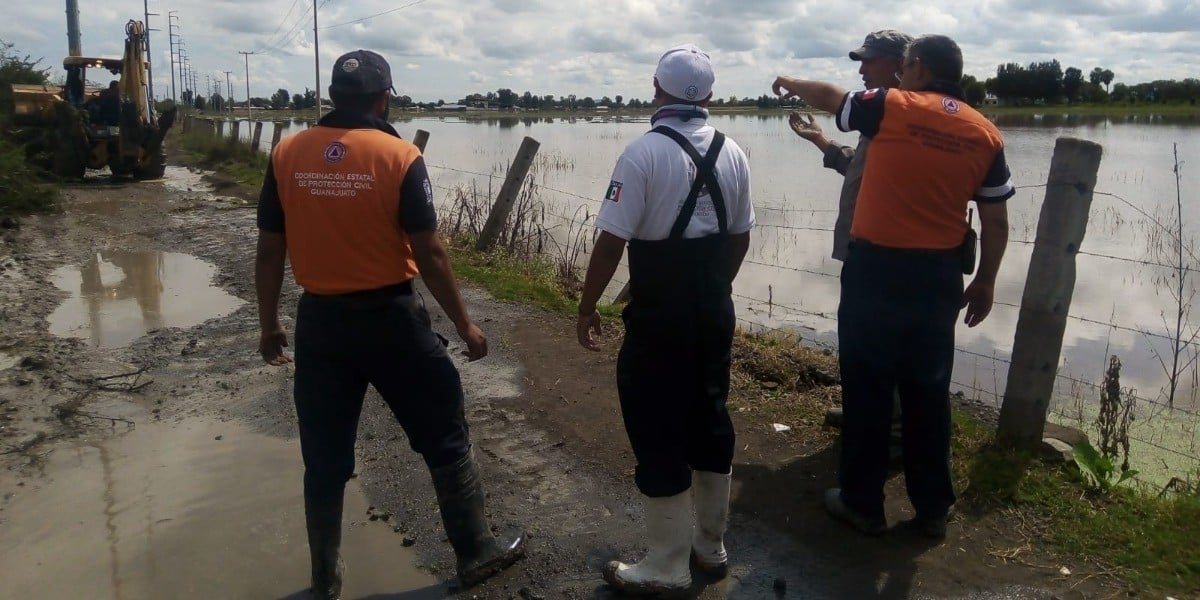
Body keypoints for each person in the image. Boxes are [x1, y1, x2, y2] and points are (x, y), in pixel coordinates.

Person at [255, 49, 524, 599]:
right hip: (391, 321)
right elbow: (429, 250)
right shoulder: (398, 154)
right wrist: (464, 324)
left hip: (320, 323)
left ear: (334, 96)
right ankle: (476, 551)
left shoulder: (286, 153)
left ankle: (324, 581)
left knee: (324, 453)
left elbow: (269, 247)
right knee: (443, 428)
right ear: (383, 100)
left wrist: (268, 323)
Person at [771, 34, 1013, 539]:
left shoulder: (891, 106)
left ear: (918, 67)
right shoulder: (985, 133)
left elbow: (831, 96)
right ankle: (933, 508)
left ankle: (862, 503)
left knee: (868, 388)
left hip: (877, 269)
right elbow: (996, 220)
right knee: (929, 390)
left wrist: (789, 81)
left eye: (905, 66)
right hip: (939, 276)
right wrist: (986, 279)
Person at [576, 44, 754, 596]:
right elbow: (741, 236)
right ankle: (710, 547)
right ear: (711, 95)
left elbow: (611, 242)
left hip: (659, 315)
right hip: (714, 310)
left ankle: (667, 564)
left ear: (657, 89)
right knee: (710, 415)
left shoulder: (642, 153)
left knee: (656, 423)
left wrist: (587, 306)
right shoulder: (734, 151)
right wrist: (718, 287)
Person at [788, 29, 912, 459]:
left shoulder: (899, 113)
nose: (861, 70)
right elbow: (861, 170)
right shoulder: (880, 119)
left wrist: (788, 81)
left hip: (887, 251)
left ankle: (892, 434)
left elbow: (829, 96)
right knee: (864, 340)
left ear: (900, 65)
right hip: (867, 248)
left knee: (883, 341)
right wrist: (820, 140)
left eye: (870, 61)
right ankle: (869, 415)